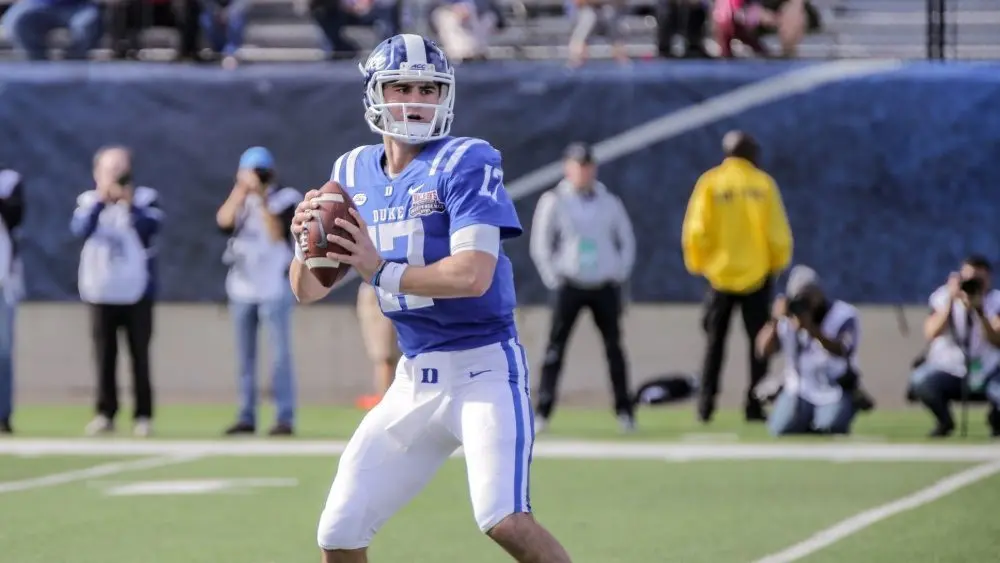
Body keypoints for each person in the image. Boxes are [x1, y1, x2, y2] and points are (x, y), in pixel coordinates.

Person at [289, 34, 572, 563]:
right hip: (414, 379)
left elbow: (472, 276)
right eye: (401, 87)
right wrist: (306, 243)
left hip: (483, 369)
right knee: (340, 530)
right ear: (376, 93)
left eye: (427, 89)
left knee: (504, 519)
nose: (415, 101)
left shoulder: (466, 160)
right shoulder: (351, 171)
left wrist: (379, 270)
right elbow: (304, 291)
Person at [681, 130, 792, 424]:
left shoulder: (712, 183)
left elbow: (696, 230)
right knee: (759, 345)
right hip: (757, 274)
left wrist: (701, 265)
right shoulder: (763, 184)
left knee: (714, 345)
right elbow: (778, 234)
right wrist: (776, 264)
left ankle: (705, 405)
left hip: (719, 276)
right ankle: (754, 404)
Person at [529, 141, 636, 433]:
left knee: (615, 349)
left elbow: (625, 240)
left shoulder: (609, 201)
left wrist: (618, 272)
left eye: (588, 165)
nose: (584, 171)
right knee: (554, 350)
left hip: (604, 285)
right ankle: (543, 412)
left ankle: (625, 412)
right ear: (568, 168)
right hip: (569, 284)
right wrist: (555, 277)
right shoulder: (555, 200)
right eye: (578, 165)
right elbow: (541, 244)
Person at [71, 146, 163, 437]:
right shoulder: (88, 200)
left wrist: (128, 202)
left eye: (121, 169)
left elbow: (151, 228)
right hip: (100, 290)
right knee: (104, 355)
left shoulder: (145, 198)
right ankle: (105, 412)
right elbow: (79, 229)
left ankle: (143, 415)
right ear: (97, 173)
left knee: (139, 355)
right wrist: (102, 200)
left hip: (136, 291)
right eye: (110, 169)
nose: (116, 175)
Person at [216, 147, 301, 436]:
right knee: (245, 357)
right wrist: (241, 191)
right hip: (242, 287)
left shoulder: (285, 198)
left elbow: (279, 233)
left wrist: (262, 199)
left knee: (279, 355)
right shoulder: (240, 200)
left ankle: (284, 416)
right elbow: (223, 222)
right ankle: (246, 415)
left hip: (274, 287)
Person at [755, 265, 865, 436]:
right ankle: (800, 418)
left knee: (829, 427)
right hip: (799, 390)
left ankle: (846, 407)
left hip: (834, 388)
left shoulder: (843, 315)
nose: (804, 304)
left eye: (808, 296)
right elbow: (763, 351)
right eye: (799, 298)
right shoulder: (788, 319)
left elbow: (842, 350)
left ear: (819, 293)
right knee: (780, 429)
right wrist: (775, 321)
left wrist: (811, 329)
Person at [355, 283, 401, 410]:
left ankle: (384, 401)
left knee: (386, 356)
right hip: (379, 285)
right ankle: (384, 399)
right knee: (383, 355)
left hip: (393, 285)